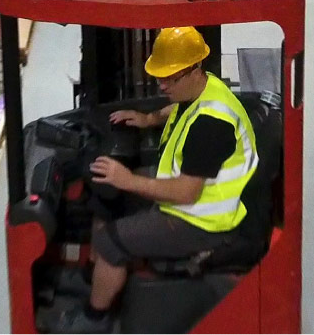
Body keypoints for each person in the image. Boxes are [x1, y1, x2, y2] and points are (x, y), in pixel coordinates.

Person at [67, 27, 260, 332]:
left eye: (170, 79)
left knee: (109, 242)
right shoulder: (204, 88)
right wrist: (148, 119)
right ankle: (98, 278)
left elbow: (185, 193)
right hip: (189, 197)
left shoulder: (211, 126)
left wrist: (128, 179)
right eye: (160, 77)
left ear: (195, 69)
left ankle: (94, 318)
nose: (162, 85)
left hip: (201, 222)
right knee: (105, 187)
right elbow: (178, 106)